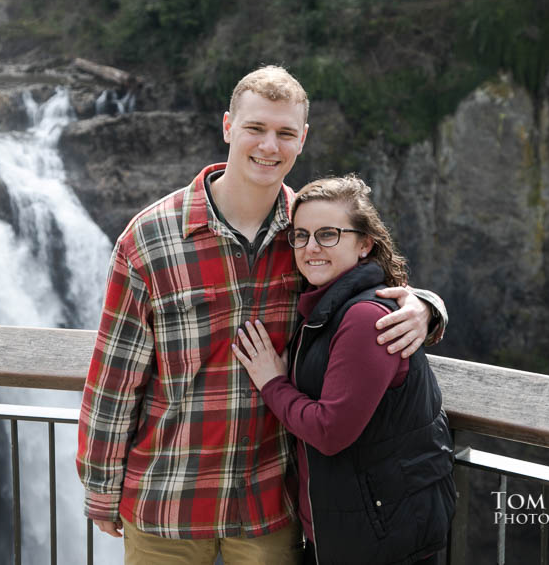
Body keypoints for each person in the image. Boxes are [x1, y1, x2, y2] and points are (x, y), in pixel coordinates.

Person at [76, 66, 446, 564]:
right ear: (229, 126)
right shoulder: (148, 239)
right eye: (256, 128)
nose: (269, 146)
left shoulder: (310, 232)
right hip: (168, 503)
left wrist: (426, 306)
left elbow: (370, 282)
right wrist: (100, 483)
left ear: (302, 141)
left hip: (270, 508)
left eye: (285, 133)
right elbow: (115, 377)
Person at [233, 174, 455, 565]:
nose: (311, 247)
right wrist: (428, 304)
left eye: (328, 234)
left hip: (379, 539)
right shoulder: (326, 306)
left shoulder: (364, 318)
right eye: (300, 236)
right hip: (356, 528)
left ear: (365, 244)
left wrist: (272, 382)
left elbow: (329, 431)